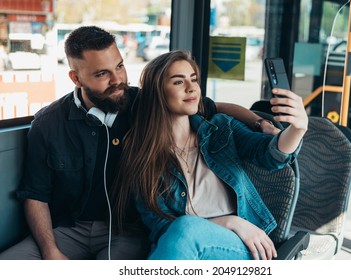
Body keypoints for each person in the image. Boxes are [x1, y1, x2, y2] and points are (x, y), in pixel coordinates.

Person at [0, 26, 276, 260]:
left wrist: (259, 123)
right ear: (76, 77)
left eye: (119, 66)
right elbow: (35, 195)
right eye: (101, 74)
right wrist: (51, 253)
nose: (117, 79)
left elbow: (211, 107)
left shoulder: (148, 103)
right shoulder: (48, 124)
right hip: (69, 229)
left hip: (128, 231)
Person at [111, 50, 308, 260]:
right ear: (158, 93)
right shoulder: (142, 154)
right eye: (178, 82)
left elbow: (270, 155)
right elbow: (160, 227)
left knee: (186, 229)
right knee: (184, 229)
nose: (191, 87)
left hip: (241, 246)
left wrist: (297, 129)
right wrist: (229, 222)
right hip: (186, 247)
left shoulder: (221, 129)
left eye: (193, 79)